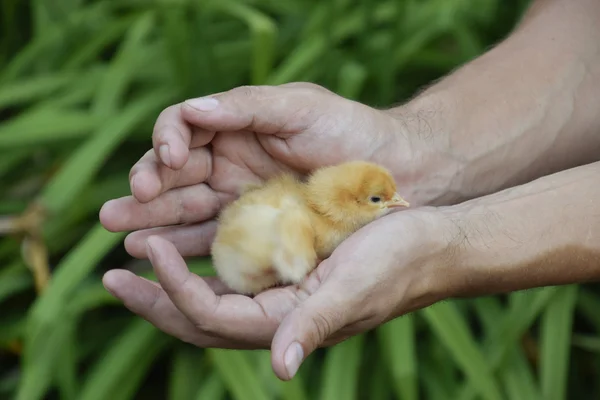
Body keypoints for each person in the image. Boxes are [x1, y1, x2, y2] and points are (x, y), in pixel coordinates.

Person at [99, 0, 600, 381]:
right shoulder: (312, 214)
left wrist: (450, 247)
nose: (394, 203)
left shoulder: (311, 215)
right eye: (381, 199)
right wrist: (418, 148)